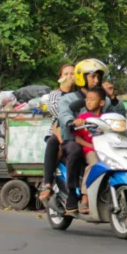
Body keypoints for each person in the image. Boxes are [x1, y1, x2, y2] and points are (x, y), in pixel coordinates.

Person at [58, 59, 125, 213]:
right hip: (75, 139)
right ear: (82, 77)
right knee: (75, 151)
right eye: (92, 76)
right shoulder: (69, 98)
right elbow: (64, 112)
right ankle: (76, 196)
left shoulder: (104, 100)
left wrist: (112, 97)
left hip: (100, 142)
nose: (96, 80)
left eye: (98, 77)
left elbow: (120, 114)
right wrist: (71, 121)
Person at [38, 64, 76, 203]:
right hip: (58, 129)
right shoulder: (55, 94)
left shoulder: (79, 94)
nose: (69, 76)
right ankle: (47, 183)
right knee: (52, 142)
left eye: (72, 73)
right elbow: (57, 112)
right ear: (60, 78)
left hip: (78, 131)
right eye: (66, 74)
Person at [73, 87, 106, 214]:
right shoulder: (83, 117)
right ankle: (85, 197)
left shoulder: (106, 118)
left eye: (92, 99)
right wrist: (90, 145)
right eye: (87, 99)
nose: (88, 102)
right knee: (94, 164)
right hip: (89, 149)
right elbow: (77, 138)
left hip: (105, 149)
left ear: (102, 102)